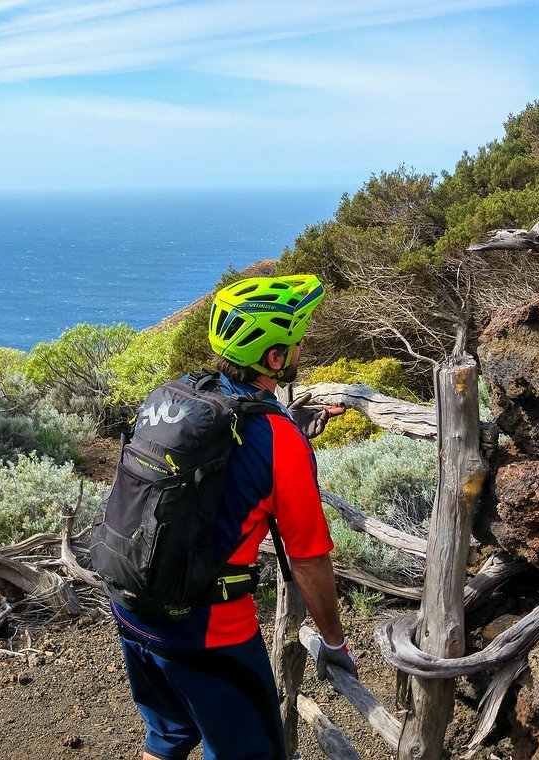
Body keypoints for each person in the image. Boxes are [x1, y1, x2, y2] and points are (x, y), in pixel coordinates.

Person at [111, 274, 358, 760]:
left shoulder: (171, 395)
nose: (301, 345)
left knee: (168, 735)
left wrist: (292, 426)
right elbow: (308, 560)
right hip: (208, 631)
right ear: (274, 357)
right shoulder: (279, 442)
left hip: (130, 604)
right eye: (296, 340)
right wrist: (334, 639)